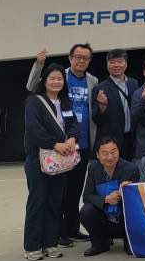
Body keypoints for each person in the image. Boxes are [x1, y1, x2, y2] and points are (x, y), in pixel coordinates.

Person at [25, 44, 97, 246]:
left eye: (86, 58)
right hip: (54, 149)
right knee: (56, 194)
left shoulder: (93, 81)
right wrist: (39, 65)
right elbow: (32, 86)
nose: (81, 60)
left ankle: (72, 229)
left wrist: (75, 138)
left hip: (78, 145)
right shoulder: (58, 76)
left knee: (74, 191)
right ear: (70, 57)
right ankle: (57, 233)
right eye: (78, 56)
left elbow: (79, 118)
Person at [23, 64, 80, 261]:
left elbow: (73, 124)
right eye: (52, 78)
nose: (56, 82)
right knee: (38, 202)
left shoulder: (65, 101)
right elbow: (34, 129)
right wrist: (54, 144)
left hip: (59, 161)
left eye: (59, 79)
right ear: (45, 80)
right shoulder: (34, 102)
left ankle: (50, 243)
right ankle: (32, 246)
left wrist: (72, 138)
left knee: (55, 202)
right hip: (38, 160)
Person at [79, 136, 140, 257]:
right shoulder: (93, 168)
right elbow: (87, 196)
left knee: (133, 209)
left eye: (113, 152)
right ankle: (99, 243)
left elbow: (139, 201)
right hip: (104, 219)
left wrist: (128, 192)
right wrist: (106, 199)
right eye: (105, 153)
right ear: (97, 155)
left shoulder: (131, 168)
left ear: (118, 151)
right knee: (86, 210)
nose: (110, 157)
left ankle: (129, 241)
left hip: (123, 221)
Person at [92, 48, 139, 160]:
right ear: (107, 65)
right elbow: (96, 119)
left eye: (120, 62)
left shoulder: (134, 83)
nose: (116, 65)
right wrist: (102, 107)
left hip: (133, 139)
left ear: (126, 64)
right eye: (112, 62)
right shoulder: (100, 88)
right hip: (113, 142)